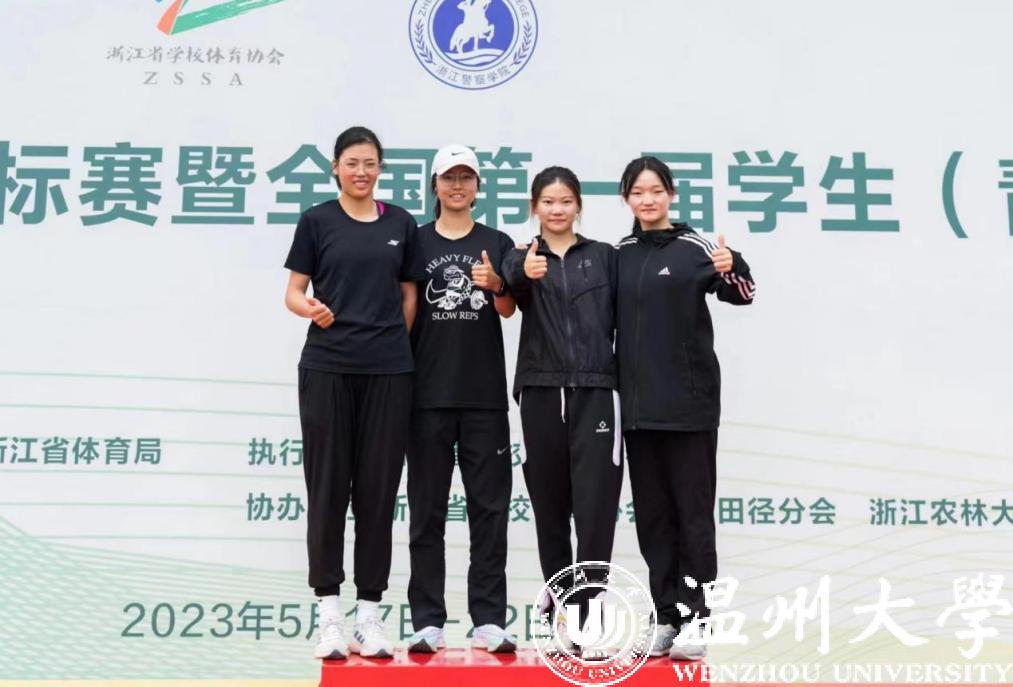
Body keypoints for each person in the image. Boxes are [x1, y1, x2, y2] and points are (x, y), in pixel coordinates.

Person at [283, 125, 418, 660]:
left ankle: (369, 616)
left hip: (389, 372)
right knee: (328, 490)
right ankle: (329, 616)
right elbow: (294, 292)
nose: (361, 172)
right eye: (352, 163)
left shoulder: (400, 223)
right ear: (335, 168)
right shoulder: (317, 221)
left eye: (370, 163)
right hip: (328, 368)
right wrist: (311, 309)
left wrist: (387, 343)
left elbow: (408, 297)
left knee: (378, 494)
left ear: (381, 169)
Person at [614, 155, 755, 660]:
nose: (647, 200)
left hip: (689, 406)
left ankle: (698, 619)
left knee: (693, 518)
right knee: (653, 520)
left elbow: (742, 294)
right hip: (638, 409)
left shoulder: (696, 247)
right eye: (637, 192)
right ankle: (666, 617)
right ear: (626, 198)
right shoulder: (620, 254)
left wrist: (734, 265)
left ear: (671, 194)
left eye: (656, 190)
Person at [501, 166, 623, 656]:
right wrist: (521, 272)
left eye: (566, 201)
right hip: (541, 391)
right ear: (534, 207)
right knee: (550, 509)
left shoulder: (605, 257)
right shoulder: (521, 255)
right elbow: (508, 284)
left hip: (598, 392)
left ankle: (591, 620)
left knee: (595, 511)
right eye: (548, 201)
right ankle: (561, 618)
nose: (557, 209)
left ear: (578, 206)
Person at [405, 144, 519, 654]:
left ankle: (489, 619)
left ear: (477, 186)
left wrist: (496, 283)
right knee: (426, 511)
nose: (457, 185)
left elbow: (509, 309)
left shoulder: (497, 241)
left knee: (489, 511)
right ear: (434, 185)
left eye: (465, 177)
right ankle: (427, 620)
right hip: (425, 395)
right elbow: (405, 307)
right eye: (448, 177)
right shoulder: (416, 240)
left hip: (484, 397)